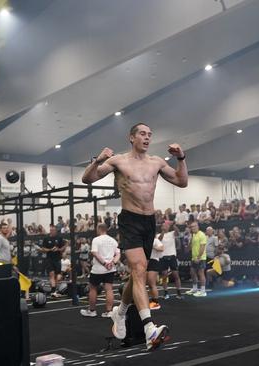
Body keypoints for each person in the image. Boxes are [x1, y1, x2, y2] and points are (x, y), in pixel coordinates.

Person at [82, 122, 187, 350]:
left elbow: (182, 181)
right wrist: (98, 160)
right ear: (131, 138)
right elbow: (87, 179)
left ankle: (120, 313)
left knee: (136, 275)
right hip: (129, 220)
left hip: (149, 222)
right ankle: (149, 328)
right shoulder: (119, 161)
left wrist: (181, 158)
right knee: (139, 269)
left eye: (150, 134)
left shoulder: (157, 162)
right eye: (142, 133)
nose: (147, 137)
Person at [81, 223, 120, 318]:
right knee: (109, 289)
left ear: (99, 229)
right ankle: (109, 311)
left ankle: (92, 311)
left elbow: (94, 252)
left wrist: (104, 263)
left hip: (98, 269)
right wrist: (112, 263)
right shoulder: (113, 240)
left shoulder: (96, 240)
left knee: (93, 288)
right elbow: (118, 254)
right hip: (110, 269)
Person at [39, 225, 66, 297]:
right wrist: (50, 250)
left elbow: (63, 248)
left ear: (56, 231)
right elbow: (43, 249)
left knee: (58, 275)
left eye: (53, 230)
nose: (52, 231)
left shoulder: (59, 238)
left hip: (57, 259)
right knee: (51, 274)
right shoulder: (46, 238)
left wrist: (58, 249)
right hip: (49, 259)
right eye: (51, 230)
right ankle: (53, 290)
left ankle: (56, 288)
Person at [158, 222, 182, 299]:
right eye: (163, 226)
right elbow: (159, 240)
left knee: (176, 275)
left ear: (169, 227)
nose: (165, 227)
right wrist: (163, 231)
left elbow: (178, 232)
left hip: (172, 256)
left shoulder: (172, 233)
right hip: (163, 257)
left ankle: (179, 293)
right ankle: (166, 293)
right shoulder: (158, 235)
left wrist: (173, 225)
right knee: (164, 276)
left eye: (166, 226)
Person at [186, 222, 207, 297]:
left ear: (197, 226)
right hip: (193, 258)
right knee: (192, 273)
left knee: (201, 273)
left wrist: (198, 257)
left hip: (201, 258)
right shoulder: (194, 235)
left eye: (194, 226)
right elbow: (191, 245)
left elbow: (202, 247)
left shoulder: (202, 235)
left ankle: (203, 291)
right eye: (191, 227)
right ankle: (194, 288)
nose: (192, 228)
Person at [147, 238, 164, 310]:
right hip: (145, 261)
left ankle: (156, 303)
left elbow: (162, 248)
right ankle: (152, 301)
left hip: (153, 261)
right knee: (148, 284)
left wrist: (152, 246)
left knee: (152, 283)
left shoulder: (155, 240)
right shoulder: (143, 240)